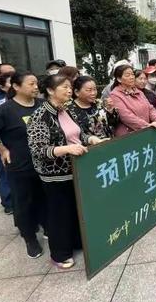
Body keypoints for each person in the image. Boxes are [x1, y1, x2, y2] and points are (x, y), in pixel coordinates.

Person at [27, 74, 104, 269]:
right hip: (55, 174)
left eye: (70, 87)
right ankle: (60, 254)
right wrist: (66, 149)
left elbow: (77, 134)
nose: (69, 91)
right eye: (64, 87)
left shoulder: (67, 110)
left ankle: (77, 243)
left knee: (75, 209)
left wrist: (90, 139)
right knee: (60, 213)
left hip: (76, 168)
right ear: (51, 91)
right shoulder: (40, 115)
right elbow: (38, 149)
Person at [0, 72, 46, 258]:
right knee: (23, 202)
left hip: (44, 163)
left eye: (36, 83)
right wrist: (2, 149)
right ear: (16, 86)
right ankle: (29, 238)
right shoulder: (5, 110)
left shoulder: (41, 105)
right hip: (20, 165)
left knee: (44, 197)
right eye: (31, 83)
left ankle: (47, 225)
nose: (36, 86)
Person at [110, 64, 156, 137]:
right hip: (129, 135)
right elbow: (126, 116)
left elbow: (150, 108)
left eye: (132, 74)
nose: (131, 77)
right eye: (127, 75)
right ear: (119, 79)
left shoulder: (139, 92)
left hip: (145, 131)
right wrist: (146, 125)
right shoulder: (115, 95)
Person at [0, 72, 14, 213]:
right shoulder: (1, 107)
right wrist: (1, 149)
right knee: (5, 174)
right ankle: (9, 203)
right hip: (5, 147)